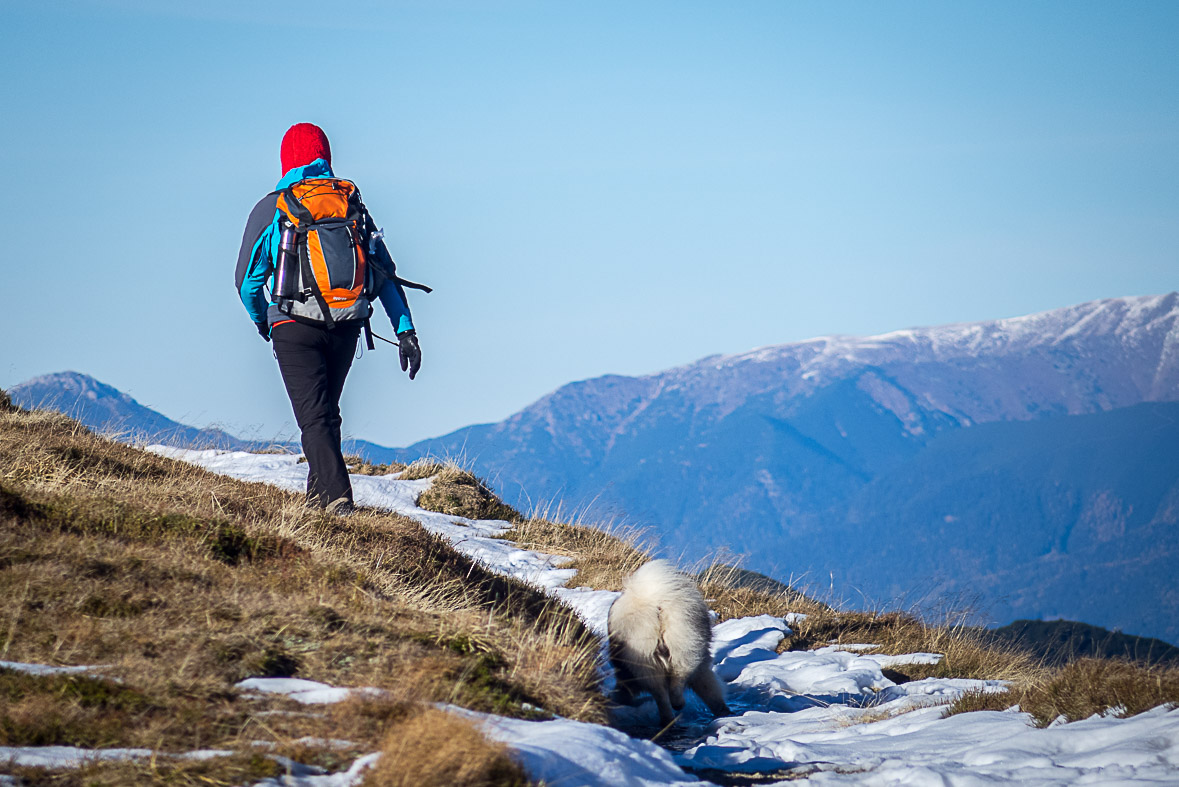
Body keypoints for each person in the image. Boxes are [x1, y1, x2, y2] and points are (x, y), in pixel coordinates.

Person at [234, 123, 422, 513]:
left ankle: (338, 500)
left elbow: (247, 282)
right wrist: (405, 331)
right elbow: (383, 275)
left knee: (315, 420)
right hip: (346, 326)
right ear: (327, 155)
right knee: (325, 416)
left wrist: (262, 321)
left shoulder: (273, 206)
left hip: (293, 326)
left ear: (286, 158)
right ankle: (318, 506)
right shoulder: (350, 204)